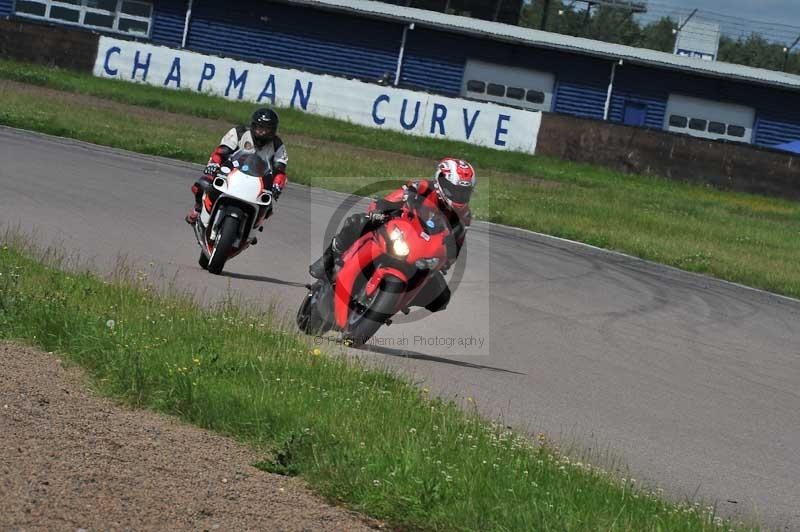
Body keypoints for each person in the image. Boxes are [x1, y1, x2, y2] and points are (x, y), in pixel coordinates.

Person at [309, 157, 476, 313]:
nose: (459, 196)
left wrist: (445, 261)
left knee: (441, 297)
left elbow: (456, 245)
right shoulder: (423, 187)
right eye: (454, 189)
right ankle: (329, 258)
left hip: (421, 252)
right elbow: (394, 198)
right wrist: (380, 210)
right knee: (357, 222)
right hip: (398, 231)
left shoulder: (464, 216)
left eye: (464, 192)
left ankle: (396, 303)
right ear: (440, 180)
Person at [186, 107, 288, 224]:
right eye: (260, 128)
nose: (263, 132)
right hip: (229, 172)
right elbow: (221, 151)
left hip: (258, 180)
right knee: (202, 184)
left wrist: (277, 185)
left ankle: (251, 230)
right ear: (254, 125)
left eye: (267, 129)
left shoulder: (277, 144)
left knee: (267, 206)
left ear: (273, 130)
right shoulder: (239, 132)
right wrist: (214, 164)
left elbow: (280, 169)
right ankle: (198, 209)